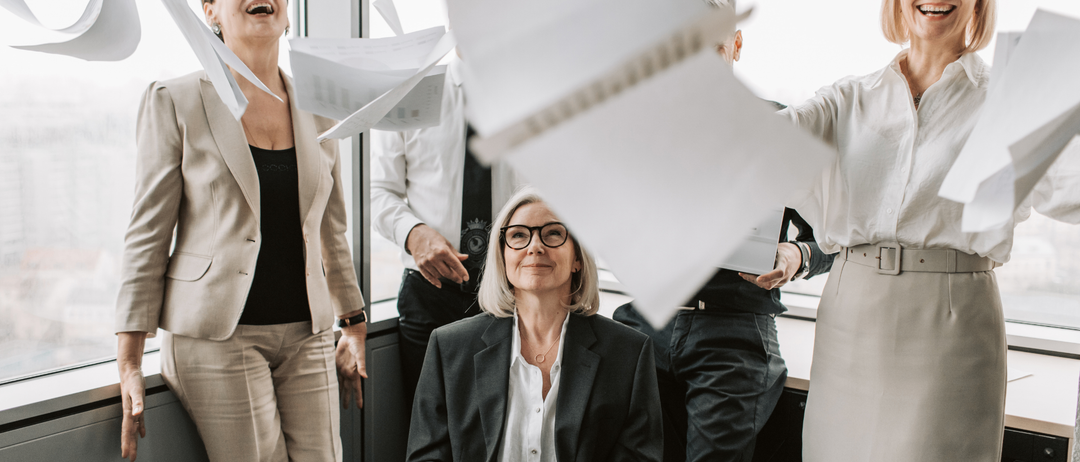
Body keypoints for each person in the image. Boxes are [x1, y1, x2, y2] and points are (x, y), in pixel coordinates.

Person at [780, 0, 1079, 460]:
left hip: (953, 323)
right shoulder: (849, 98)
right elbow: (761, 148)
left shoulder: (1012, 100)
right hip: (850, 317)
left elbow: (1072, 186)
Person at [114, 1, 367, 460]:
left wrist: (354, 323)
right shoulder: (176, 99)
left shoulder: (318, 108)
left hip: (307, 334)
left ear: (288, 14)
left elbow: (332, 226)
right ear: (210, 11)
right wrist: (130, 360)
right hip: (217, 338)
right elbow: (148, 234)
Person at [613, 2, 834, 460]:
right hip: (646, 324)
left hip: (733, 332)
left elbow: (832, 236)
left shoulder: (782, 127)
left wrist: (796, 257)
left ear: (736, 45)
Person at [406, 188, 663, 462]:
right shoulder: (449, 347)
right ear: (503, 257)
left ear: (577, 258)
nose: (535, 246)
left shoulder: (628, 352)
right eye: (518, 235)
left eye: (553, 233)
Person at [371, 55, 521, 409]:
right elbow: (377, 190)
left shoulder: (536, 92)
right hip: (432, 292)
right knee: (431, 428)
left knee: (508, 428)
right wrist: (415, 234)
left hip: (515, 291)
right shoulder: (407, 90)